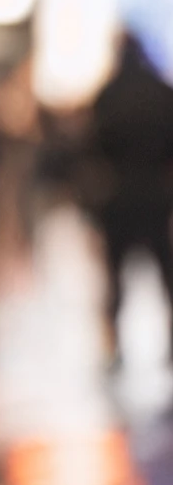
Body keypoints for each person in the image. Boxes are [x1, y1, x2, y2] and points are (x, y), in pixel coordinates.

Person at [81, 33, 173, 369]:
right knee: (166, 275)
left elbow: (90, 153)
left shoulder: (108, 95)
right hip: (156, 197)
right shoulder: (162, 92)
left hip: (118, 198)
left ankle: (114, 348)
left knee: (115, 277)